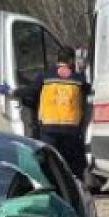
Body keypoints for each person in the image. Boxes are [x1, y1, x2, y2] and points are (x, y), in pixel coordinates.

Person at [19, 49, 90, 178]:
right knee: (69, 165)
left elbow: (30, 93)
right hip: (71, 129)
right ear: (71, 60)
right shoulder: (79, 79)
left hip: (48, 128)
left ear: (58, 59)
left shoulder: (45, 76)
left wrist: (15, 93)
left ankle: (50, 185)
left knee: (48, 162)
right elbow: (88, 93)